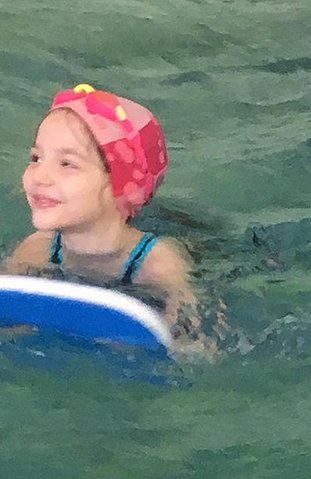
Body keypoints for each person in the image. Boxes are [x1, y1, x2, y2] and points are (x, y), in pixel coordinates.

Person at [4, 83, 198, 332]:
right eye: (36, 158)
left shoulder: (157, 263)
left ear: (120, 183)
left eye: (67, 164)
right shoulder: (37, 249)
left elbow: (195, 337)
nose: (39, 177)